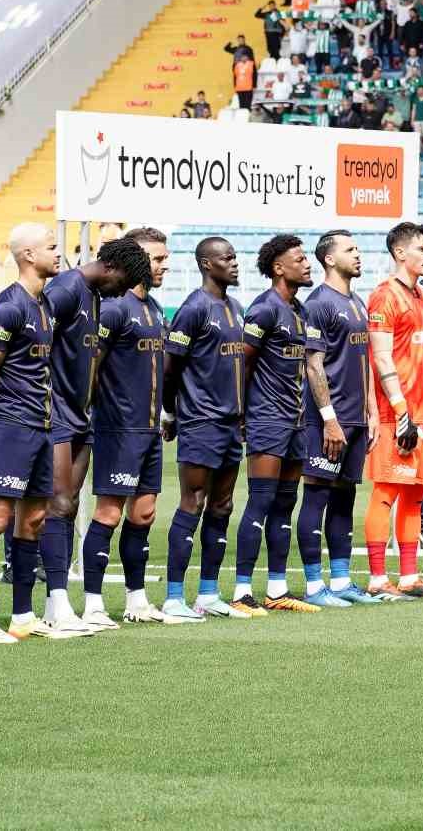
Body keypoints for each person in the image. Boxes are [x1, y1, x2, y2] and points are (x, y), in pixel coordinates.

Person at [38, 237, 146, 634]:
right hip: (57, 413)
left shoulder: (97, 296)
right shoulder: (65, 289)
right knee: (59, 503)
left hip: (81, 415)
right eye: (125, 282)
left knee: (66, 509)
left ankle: (57, 603)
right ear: (113, 268)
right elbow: (38, 348)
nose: (124, 292)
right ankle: (55, 603)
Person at [0, 223, 62, 645]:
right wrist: (2, 414)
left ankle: (22, 615)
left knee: (35, 518)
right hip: (10, 426)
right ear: (27, 254)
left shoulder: (44, 305)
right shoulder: (8, 307)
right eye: (51, 247)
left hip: (42, 426)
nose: (57, 253)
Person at [80, 228, 178, 625]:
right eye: (156, 259)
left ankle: (136, 600)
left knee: (144, 515)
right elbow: (92, 365)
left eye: (165, 259)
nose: (163, 266)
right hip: (117, 429)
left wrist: (165, 414)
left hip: (150, 429)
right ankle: (91, 603)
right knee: (108, 514)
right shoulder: (116, 307)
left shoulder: (154, 309)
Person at [161, 237, 253, 618]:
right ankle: (172, 597)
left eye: (234, 257)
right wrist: (172, 412)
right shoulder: (193, 308)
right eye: (226, 258)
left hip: (231, 423)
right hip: (200, 422)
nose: (234, 263)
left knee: (222, 505)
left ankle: (209, 594)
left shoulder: (235, 307)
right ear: (205, 264)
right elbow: (170, 367)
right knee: (193, 503)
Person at [234, 234, 322, 613]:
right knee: (262, 500)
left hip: (297, 421)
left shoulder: (300, 311)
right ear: (278, 268)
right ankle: (240, 592)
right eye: (300, 259)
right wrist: (242, 413)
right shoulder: (264, 309)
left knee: (286, 503)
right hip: (267, 420)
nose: (308, 265)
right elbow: (243, 362)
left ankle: (276, 590)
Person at [298, 231, 385, 607]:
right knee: (316, 495)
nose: (358, 255)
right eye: (350, 250)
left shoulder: (358, 302)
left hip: (357, 417)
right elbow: (313, 365)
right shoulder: (317, 304)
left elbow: (363, 360)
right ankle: (315, 586)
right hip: (326, 420)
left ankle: (342, 580)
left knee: (345, 498)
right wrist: (329, 419)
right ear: (329, 259)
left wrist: (373, 410)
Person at [366, 222, 423, 597]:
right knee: (386, 491)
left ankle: (410, 577)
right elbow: (381, 358)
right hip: (395, 413)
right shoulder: (384, 296)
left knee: (415, 495)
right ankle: (379, 578)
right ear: (401, 253)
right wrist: (400, 410)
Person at [225, 36, 257, 109]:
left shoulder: (248, 49)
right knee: (241, 104)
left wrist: (254, 84)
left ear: (244, 40)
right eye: (239, 40)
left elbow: (253, 67)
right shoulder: (236, 49)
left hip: (247, 74)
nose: (240, 41)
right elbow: (226, 48)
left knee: (247, 103)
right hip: (239, 74)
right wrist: (230, 43)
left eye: (242, 40)